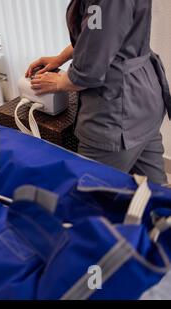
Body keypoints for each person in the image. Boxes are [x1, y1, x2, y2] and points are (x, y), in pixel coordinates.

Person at [25, 0, 171, 185]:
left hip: (116, 113)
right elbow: (100, 35)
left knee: (88, 195)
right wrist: (60, 58)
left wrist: (59, 82)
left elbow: (88, 72)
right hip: (145, 102)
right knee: (155, 195)